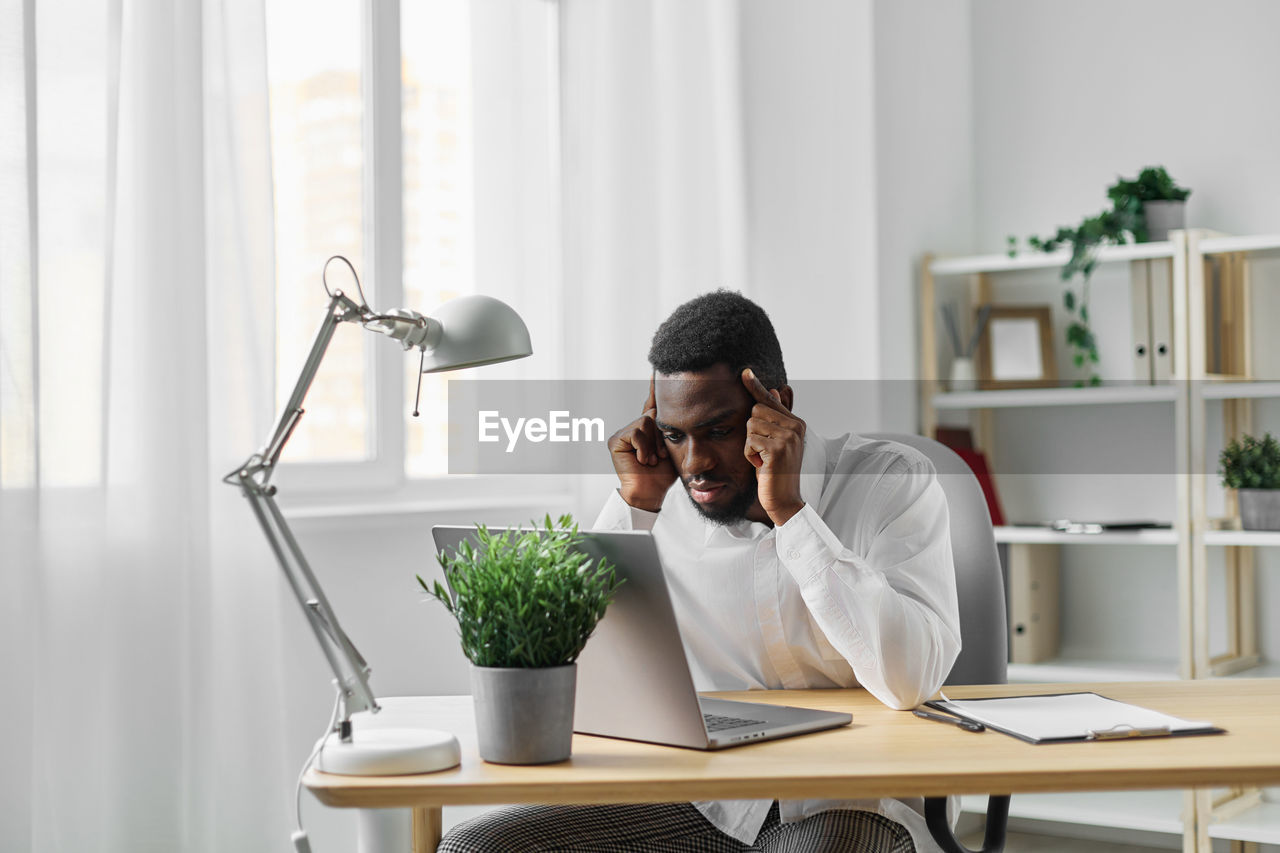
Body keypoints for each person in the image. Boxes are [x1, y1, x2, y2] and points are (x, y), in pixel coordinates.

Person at [439, 291, 960, 853]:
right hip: (710, 802)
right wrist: (636, 506)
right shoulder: (664, 496)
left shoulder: (891, 484)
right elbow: (587, 671)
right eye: (674, 435)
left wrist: (790, 513)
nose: (695, 464)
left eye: (716, 431)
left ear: (778, 406)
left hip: (852, 802)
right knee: (478, 848)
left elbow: (911, 678)